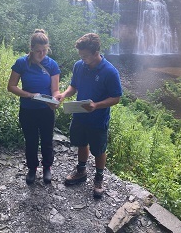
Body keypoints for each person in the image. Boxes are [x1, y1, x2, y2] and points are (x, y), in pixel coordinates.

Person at [56, 33, 122, 198]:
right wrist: (63, 95)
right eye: (80, 55)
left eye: (85, 56)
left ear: (95, 53)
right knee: (81, 143)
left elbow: (116, 98)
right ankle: (81, 171)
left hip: (98, 120)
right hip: (79, 115)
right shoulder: (79, 65)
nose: (82, 58)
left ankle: (99, 178)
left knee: (99, 150)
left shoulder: (110, 72)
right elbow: (74, 86)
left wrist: (97, 105)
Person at [7, 29, 60, 185]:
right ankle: (32, 168)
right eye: (38, 51)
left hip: (46, 110)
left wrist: (56, 99)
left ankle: (47, 168)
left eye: (44, 51)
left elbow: (55, 89)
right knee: (30, 140)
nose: (42, 54)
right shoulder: (21, 63)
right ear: (31, 48)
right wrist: (30, 95)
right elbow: (11, 86)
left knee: (47, 140)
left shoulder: (52, 64)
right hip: (27, 109)